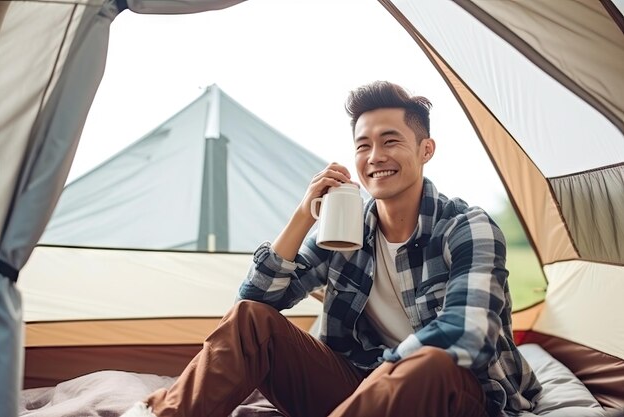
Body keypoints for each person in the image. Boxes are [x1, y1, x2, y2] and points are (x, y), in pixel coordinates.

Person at [121, 81, 542, 417]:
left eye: (391, 141)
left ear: (425, 150)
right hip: (359, 391)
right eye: (363, 145)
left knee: (429, 361)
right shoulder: (347, 228)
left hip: (455, 395)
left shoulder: (467, 227)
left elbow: (467, 335)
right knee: (252, 319)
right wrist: (303, 215)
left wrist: (388, 369)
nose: (375, 156)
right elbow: (252, 306)